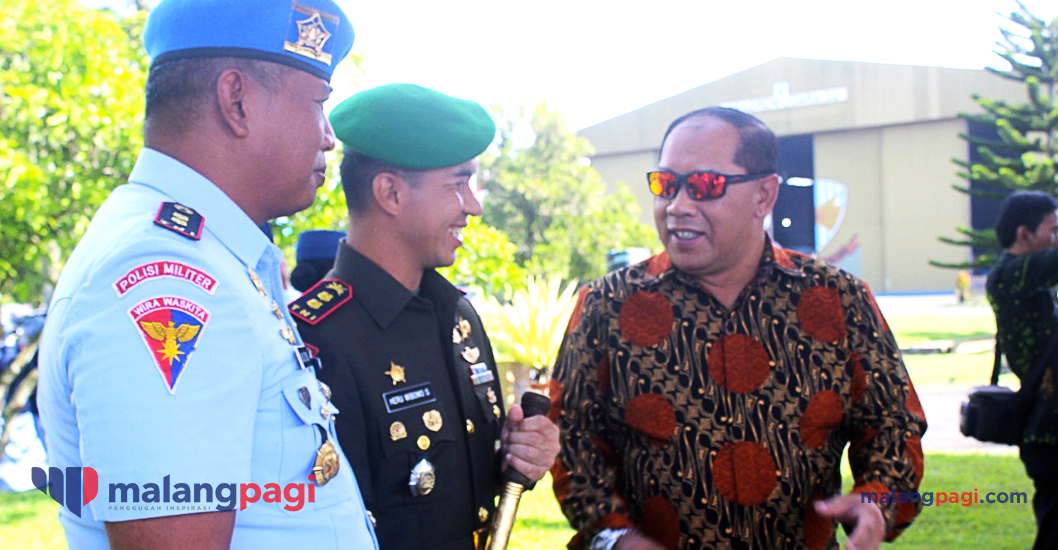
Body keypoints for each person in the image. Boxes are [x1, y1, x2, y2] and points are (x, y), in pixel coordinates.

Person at [35, 1, 377, 549]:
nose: (329, 137)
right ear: (236, 101)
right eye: (317, 105)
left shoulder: (209, 258)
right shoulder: (168, 277)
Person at [548, 107, 927, 550]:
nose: (677, 207)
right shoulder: (607, 305)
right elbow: (571, 434)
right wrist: (615, 535)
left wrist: (877, 500)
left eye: (706, 186)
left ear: (764, 195)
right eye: (666, 185)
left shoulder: (839, 302)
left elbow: (891, 424)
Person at [291, 83, 560, 550]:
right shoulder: (313, 338)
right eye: (458, 183)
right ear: (390, 193)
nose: (473, 206)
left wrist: (518, 457)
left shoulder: (457, 316)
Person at [986, 191, 1058, 550]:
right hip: (1048, 433)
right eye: (1052, 230)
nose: (1055, 239)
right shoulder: (1011, 275)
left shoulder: (1023, 279)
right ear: (1024, 233)